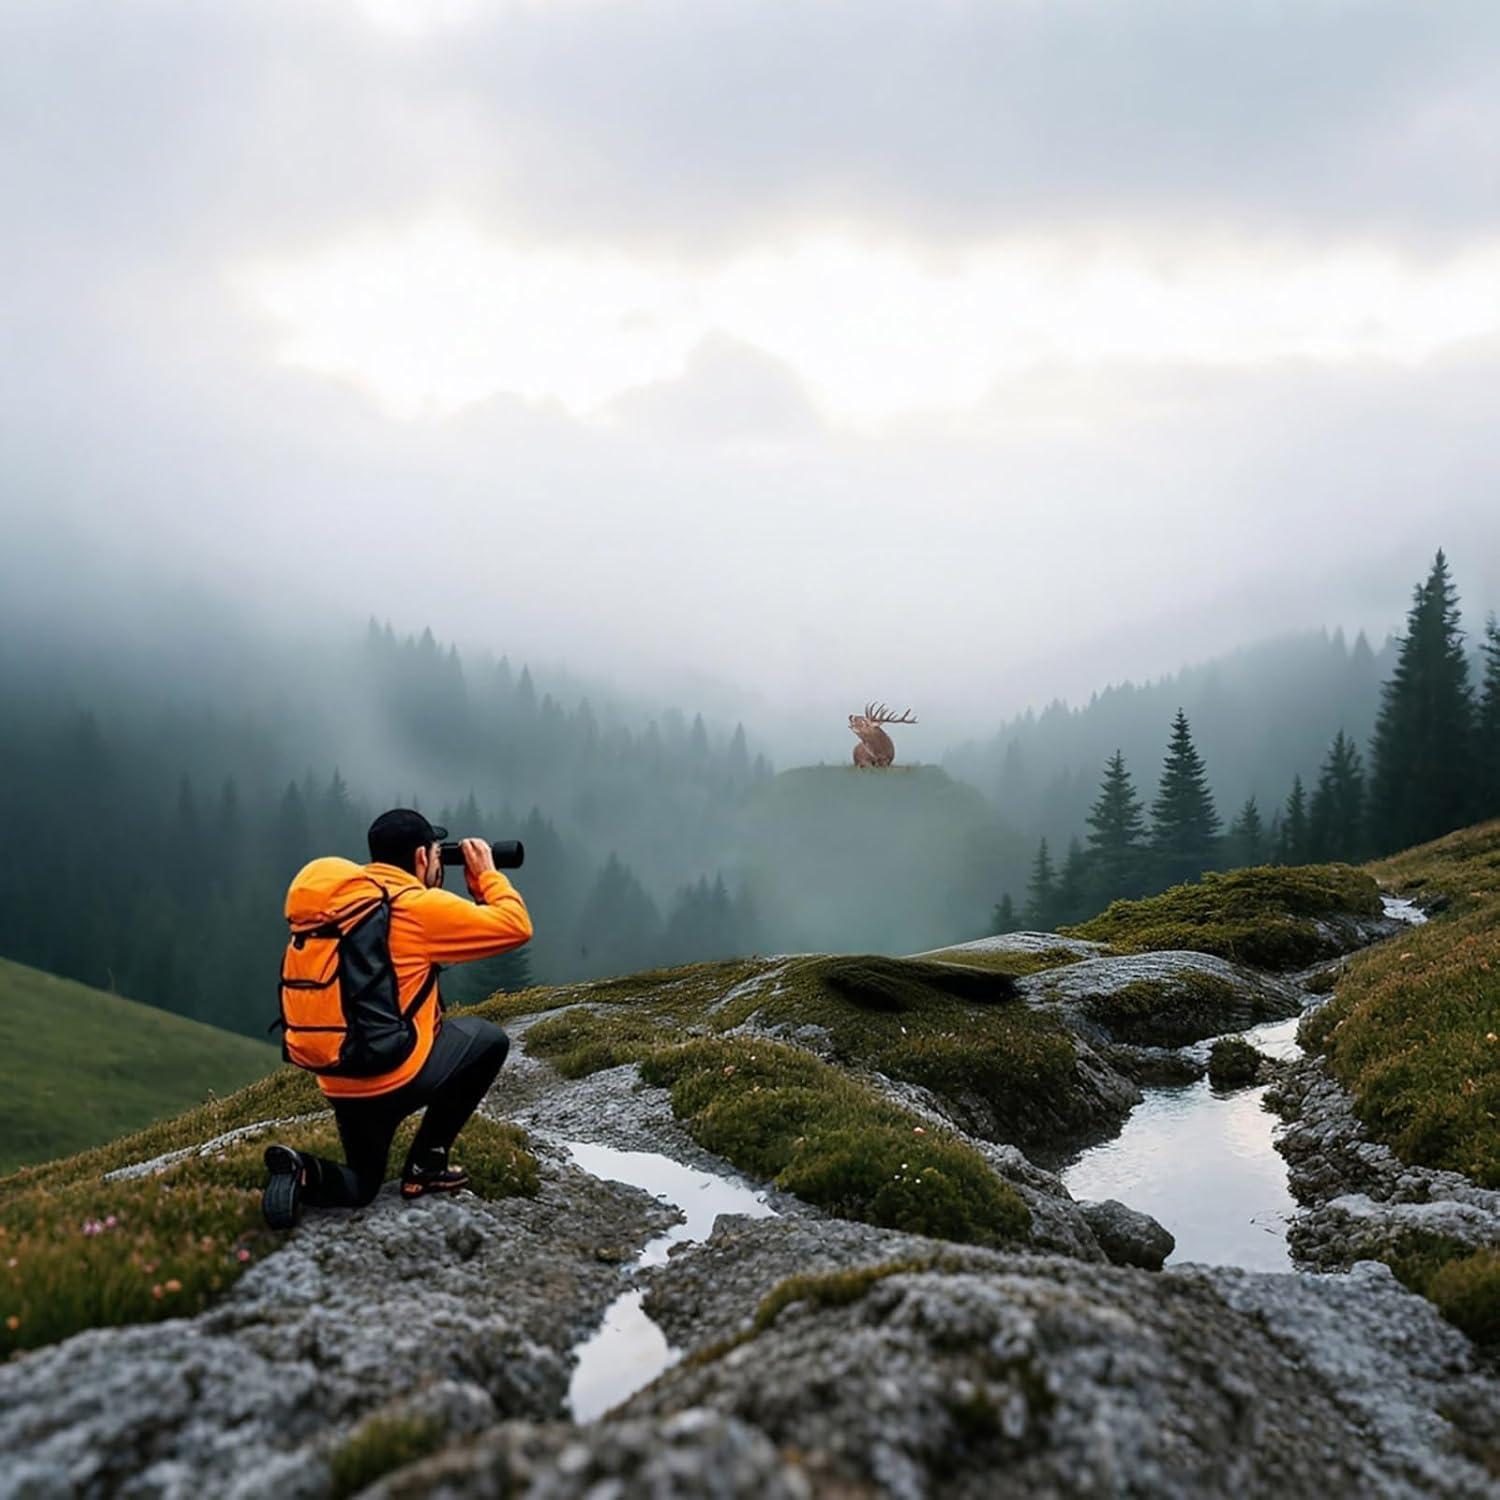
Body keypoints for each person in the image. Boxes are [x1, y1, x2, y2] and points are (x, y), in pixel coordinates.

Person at [261, 808, 532, 1228]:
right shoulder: (419, 906)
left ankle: (302, 1171)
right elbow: (515, 927)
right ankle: (427, 1163)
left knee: (362, 1185)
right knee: (487, 1039)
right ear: (423, 858)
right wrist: (485, 878)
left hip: (341, 1078)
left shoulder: (343, 909)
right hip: (399, 1076)